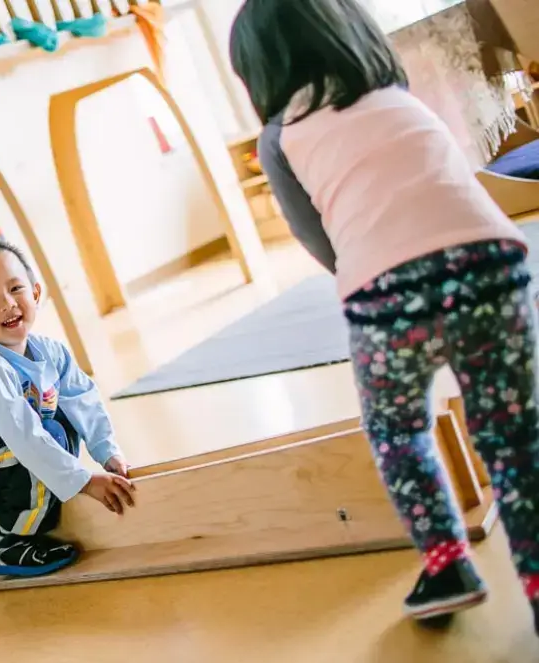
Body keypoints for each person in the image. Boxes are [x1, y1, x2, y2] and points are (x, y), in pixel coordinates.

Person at [230, 0, 539, 629]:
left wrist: (372, 269)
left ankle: (446, 561)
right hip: (489, 266)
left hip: (387, 293)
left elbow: (320, 240)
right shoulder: (400, 98)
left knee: (400, 430)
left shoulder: (279, 137)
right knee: (513, 438)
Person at [0, 240, 136, 577]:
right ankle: (10, 544)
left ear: (36, 293)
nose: (8, 304)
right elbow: (24, 438)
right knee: (38, 442)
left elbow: (83, 400)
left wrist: (109, 455)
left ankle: (35, 509)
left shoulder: (50, 351)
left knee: (61, 423)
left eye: (15, 288)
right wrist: (84, 482)